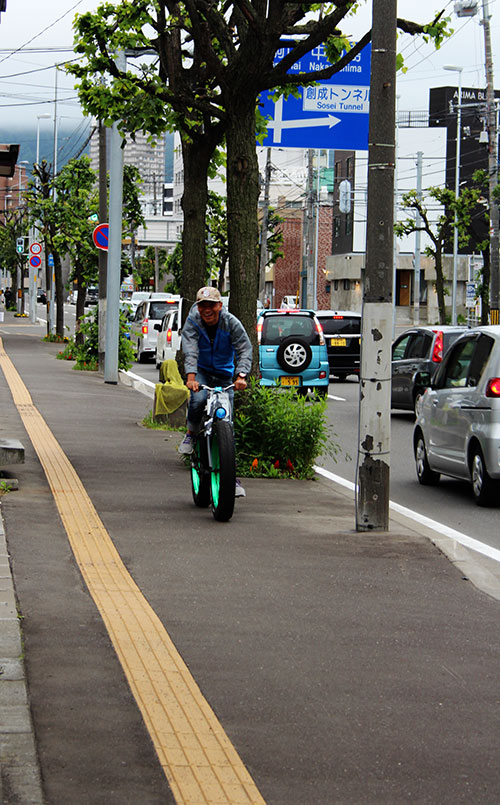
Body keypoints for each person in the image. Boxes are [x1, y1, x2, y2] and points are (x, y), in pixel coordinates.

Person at [178, 286, 252, 497]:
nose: (206, 310)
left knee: (227, 421)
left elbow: (244, 349)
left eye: (211, 305)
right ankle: (192, 433)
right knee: (198, 399)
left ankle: (231, 477)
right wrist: (191, 376)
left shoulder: (231, 323)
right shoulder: (193, 321)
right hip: (201, 372)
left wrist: (241, 376)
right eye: (202, 305)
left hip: (223, 374)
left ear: (220, 306)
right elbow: (190, 346)